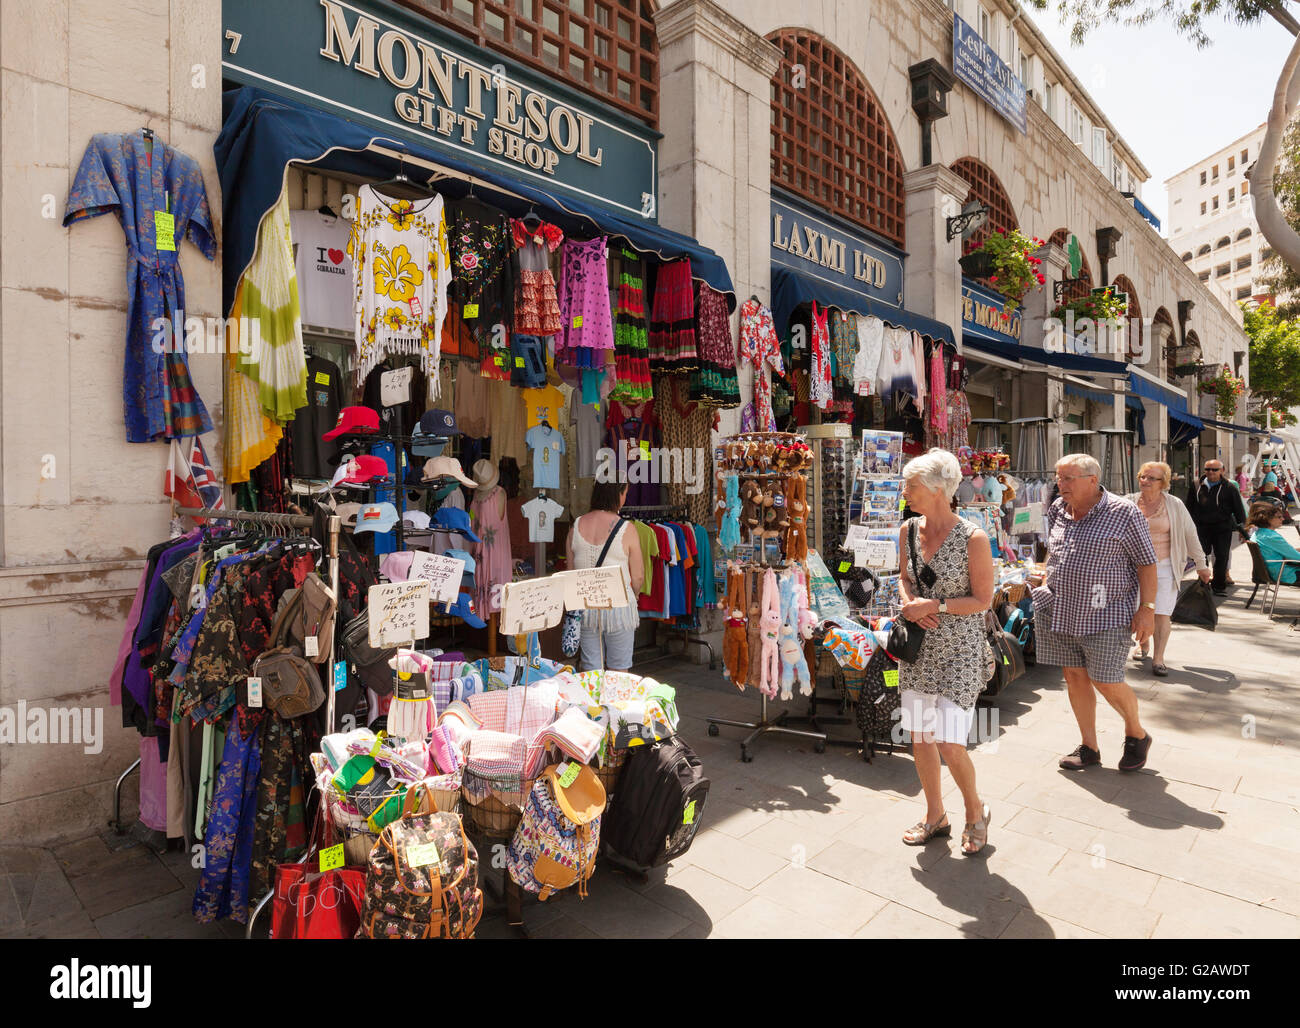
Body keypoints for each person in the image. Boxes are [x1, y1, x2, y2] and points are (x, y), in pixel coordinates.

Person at [895, 449, 996, 855]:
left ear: (937, 490)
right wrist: (907, 603)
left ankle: (975, 810)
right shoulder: (907, 531)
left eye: (911, 486)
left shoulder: (973, 538)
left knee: (950, 742)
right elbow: (904, 577)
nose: (905, 492)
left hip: (961, 650)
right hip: (919, 650)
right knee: (920, 737)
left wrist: (932, 606)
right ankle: (935, 814)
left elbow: (984, 599)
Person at [1032, 454, 1158, 772]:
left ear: (1091, 480)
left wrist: (1147, 609)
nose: (1061, 485)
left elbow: (1147, 562)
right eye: (1058, 478)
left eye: (1068, 479)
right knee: (1074, 676)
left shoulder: (1124, 512)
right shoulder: (1059, 508)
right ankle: (1089, 747)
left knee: (1106, 679)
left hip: (1108, 612)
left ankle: (1136, 733)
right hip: (1060, 608)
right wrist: (1045, 577)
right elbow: (1055, 550)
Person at [1125, 461, 1211, 676]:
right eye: (1142, 476)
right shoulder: (1128, 502)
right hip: (1130, 567)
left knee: (1161, 613)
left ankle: (1158, 657)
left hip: (1164, 566)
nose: (1145, 481)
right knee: (1136, 610)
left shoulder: (1174, 505)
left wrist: (1201, 565)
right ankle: (1142, 644)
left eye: (1151, 478)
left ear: (1163, 482)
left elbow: (1191, 534)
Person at [564, 481, 644, 672]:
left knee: (592, 671)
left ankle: (593, 702)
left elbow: (570, 574)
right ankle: (614, 703)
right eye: (624, 493)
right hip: (619, 608)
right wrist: (636, 594)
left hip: (585, 607)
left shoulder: (575, 527)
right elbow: (638, 576)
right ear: (616, 495)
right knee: (619, 671)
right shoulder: (627, 529)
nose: (625, 498)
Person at [1186, 458, 1246, 594]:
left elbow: (1238, 509)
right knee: (1200, 555)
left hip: (1222, 528)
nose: (1210, 472)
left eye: (1214, 469)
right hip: (1201, 528)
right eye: (1207, 469)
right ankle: (1203, 583)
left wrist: (1243, 528)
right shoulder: (1196, 485)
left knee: (1221, 556)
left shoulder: (1230, 487)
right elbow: (1188, 507)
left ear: (1222, 471)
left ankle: (1219, 586)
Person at [1246, 501, 1300, 584]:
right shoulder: (1271, 537)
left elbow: (1280, 551)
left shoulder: (1259, 533)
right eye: (1279, 517)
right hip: (1286, 574)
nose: (1283, 519)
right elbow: (1296, 557)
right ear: (1267, 518)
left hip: (1274, 572)